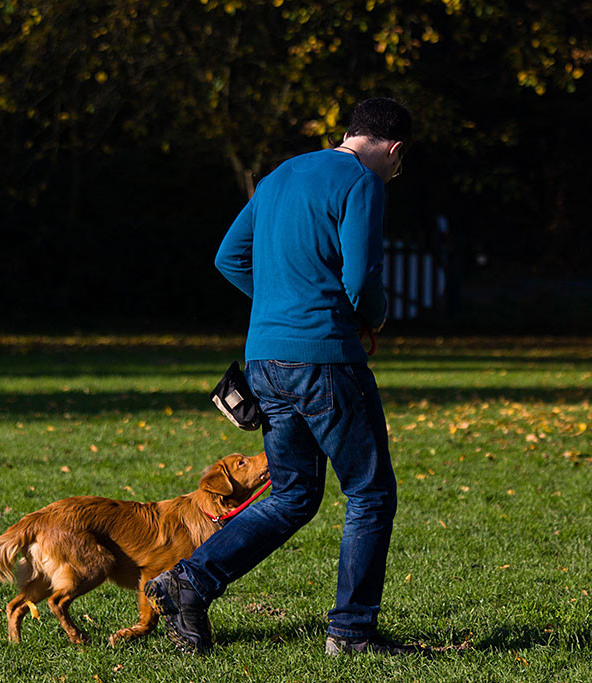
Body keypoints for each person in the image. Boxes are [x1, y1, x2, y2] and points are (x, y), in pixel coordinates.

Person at [145, 98, 418, 656]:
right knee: (370, 493)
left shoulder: (278, 175)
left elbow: (229, 257)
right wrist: (373, 317)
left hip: (264, 362)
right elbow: (362, 278)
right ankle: (352, 632)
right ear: (393, 150)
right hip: (325, 361)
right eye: (399, 163)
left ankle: (188, 582)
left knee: (293, 494)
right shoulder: (363, 182)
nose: (394, 172)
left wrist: (277, 304)